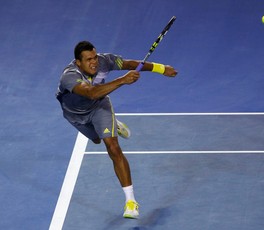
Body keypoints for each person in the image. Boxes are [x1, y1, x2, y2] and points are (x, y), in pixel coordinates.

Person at [56, 41, 177, 219]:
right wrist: (122, 80)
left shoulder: (105, 61)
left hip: (99, 107)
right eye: (89, 59)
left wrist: (161, 68)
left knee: (113, 147)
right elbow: (91, 93)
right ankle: (115, 125)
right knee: (96, 139)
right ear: (78, 62)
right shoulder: (69, 76)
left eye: (95, 57)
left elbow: (129, 64)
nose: (94, 62)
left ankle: (130, 202)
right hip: (75, 115)